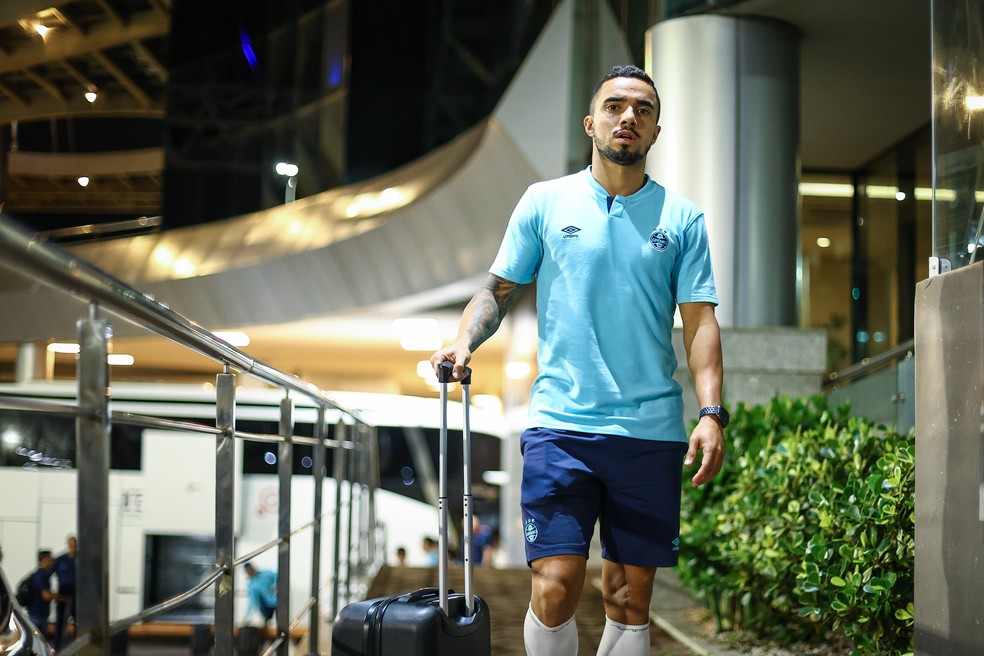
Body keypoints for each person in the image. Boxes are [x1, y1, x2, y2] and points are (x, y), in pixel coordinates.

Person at [430, 64, 726, 656]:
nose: (628, 118)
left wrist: (713, 412)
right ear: (591, 122)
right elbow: (497, 291)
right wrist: (464, 342)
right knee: (556, 585)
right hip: (560, 424)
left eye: (642, 109)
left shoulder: (683, 219)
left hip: (649, 431)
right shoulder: (545, 201)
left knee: (628, 598)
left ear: (656, 130)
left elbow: (699, 323)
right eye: (615, 106)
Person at [25, 550, 56, 639]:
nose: (52, 562)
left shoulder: (42, 575)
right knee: (37, 639)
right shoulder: (40, 576)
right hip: (36, 617)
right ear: (44, 560)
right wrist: (62, 597)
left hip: (39, 616)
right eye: (50, 559)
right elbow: (46, 595)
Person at [53, 535, 77, 649]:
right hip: (63, 596)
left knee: (78, 623)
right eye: (71, 544)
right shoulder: (60, 560)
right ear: (68, 545)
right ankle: (57, 648)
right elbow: (48, 572)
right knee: (60, 622)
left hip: (77, 597)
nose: (73, 547)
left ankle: (78, 647)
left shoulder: (82, 559)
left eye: (75, 544)